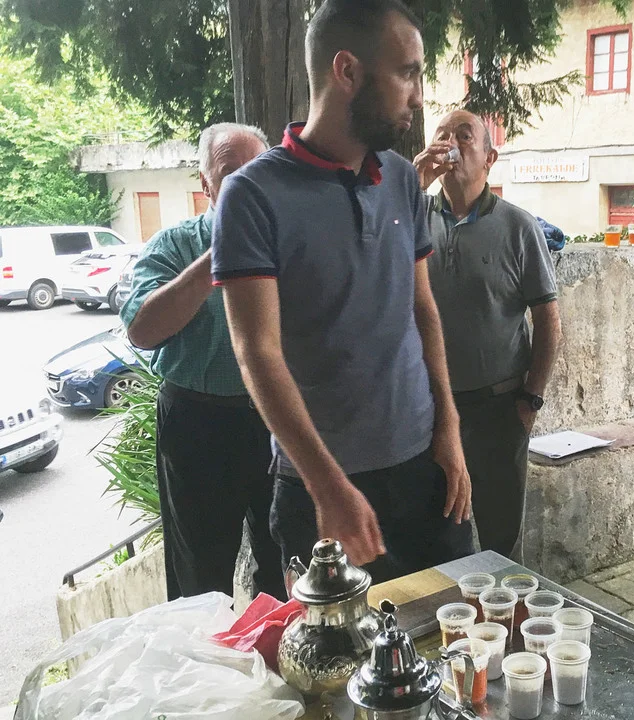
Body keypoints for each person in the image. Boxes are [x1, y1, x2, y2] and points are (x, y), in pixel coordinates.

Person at [210, 0, 474, 581]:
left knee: (460, 629)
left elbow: (423, 311)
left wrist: (449, 430)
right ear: (347, 71)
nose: (419, 96)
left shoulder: (402, 178)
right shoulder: (252, 196)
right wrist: (327, 487)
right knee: (342, 642)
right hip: (321, 489)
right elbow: (257, 351)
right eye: (406, 73)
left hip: (425, 468)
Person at [121, 122, 285, 601]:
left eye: (256, 170)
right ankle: (202, 648)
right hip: (198, 425)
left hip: (277, 419)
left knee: (285, 564)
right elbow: (142, 330)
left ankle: (278, 646)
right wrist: (221, 252)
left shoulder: (291, 243)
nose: (245, 182)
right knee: (200, 576)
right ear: (206, 184)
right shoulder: (174, 245)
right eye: (230, 172)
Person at [413, 110, 561, 559]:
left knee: (501, 541)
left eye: (464, 135)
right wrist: (413, 185)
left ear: (489, 158)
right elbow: (370, 251)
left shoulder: (518, 226)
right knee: (435, 537)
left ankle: (508, 606)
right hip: (428, 410)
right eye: (442, 134)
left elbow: (548, 320)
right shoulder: (412, 215)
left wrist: (530, 400)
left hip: (498, 408)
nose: (450, 143)